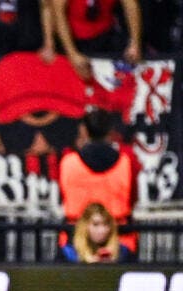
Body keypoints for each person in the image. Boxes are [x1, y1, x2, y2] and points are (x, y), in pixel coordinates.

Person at [58, 107, 138, 251]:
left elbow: (62, 197)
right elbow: (133, 199)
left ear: (85, 131)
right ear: (110, 131)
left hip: (73, 242)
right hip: (120, 243)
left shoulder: (68, 162)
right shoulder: (126, 162)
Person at [52, 0, 142, 79]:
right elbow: (58, 15)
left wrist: (135, 43)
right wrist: (72, 53)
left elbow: (130, 5)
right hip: (75, 38)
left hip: (106, 33)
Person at [58, 202, 133, 262]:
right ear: (84, 226)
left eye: (106, 224)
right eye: (95, 225)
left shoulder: (123, 252)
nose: (101, 230)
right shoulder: (69, 254)